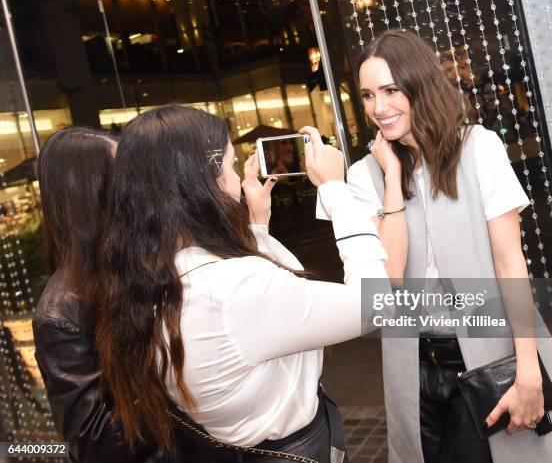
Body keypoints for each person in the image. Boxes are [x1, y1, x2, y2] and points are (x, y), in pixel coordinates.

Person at [346, 29, 552, 463]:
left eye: (390, 90)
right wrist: (389, 183)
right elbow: (388, 284)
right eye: (367, 95)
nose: (378, 108)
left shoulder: (478, 147)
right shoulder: (365, 175)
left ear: (419, 83)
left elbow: (509, 260)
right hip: (414, 364)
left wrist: (529, 371)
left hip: (492, 353)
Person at [94, 105, 390, 462]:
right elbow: (375, 305)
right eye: (232, 167)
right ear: (201, 183)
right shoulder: (235, 288)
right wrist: (336, 190)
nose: (238, 180)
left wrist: (257, 228)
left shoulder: (152, 280)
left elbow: (250, 323)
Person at [32, 128, 164, 462]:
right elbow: (95, 443)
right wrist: (179, 384)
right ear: (93, 192)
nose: (135, 185)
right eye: (122, 174)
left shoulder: (137, 264)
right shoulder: (60, 313)